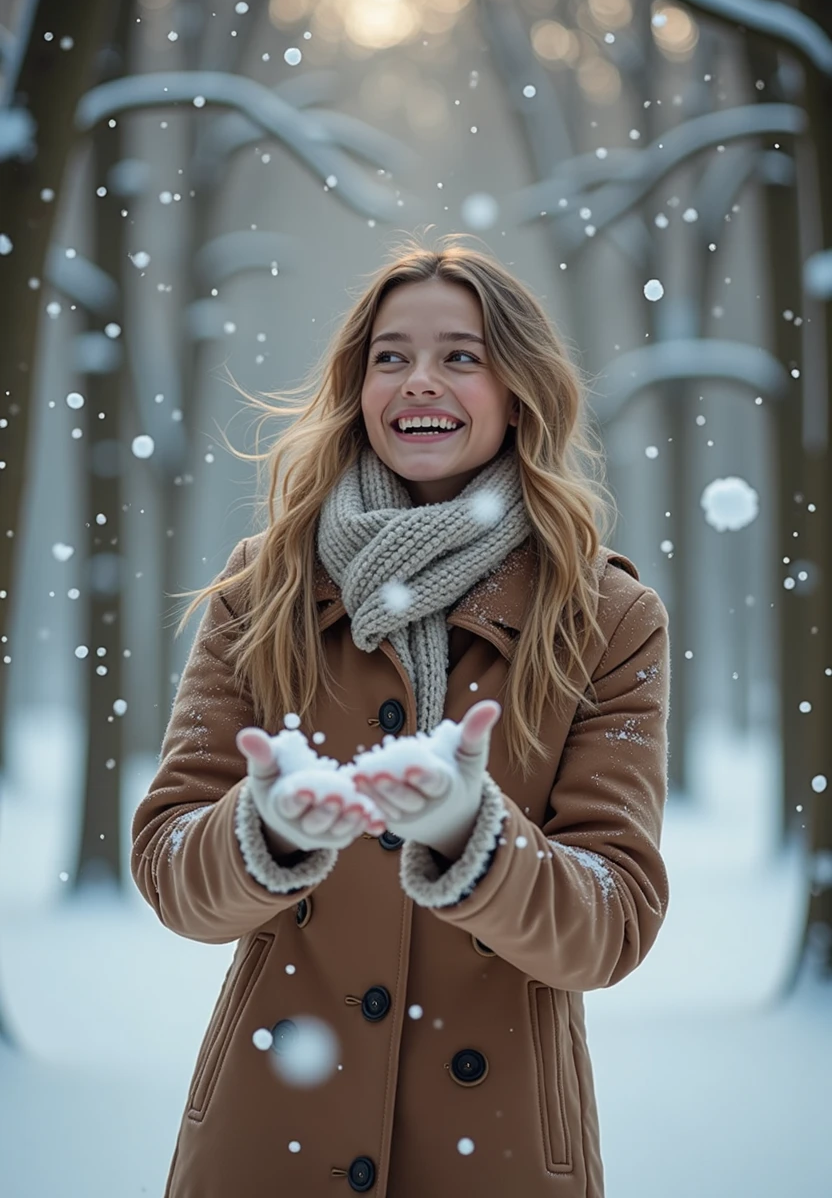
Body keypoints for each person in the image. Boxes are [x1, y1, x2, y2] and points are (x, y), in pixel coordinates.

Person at [131, 237, 671, 1198]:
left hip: (495, 1148)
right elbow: (173, 871)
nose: (420, 380)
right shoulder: (265, 595)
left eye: (462, 355)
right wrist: (263, 832)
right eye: (392, 356)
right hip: (270, 1139)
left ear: (520, 389)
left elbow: (612, 922)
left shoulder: (606, 619)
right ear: (359, 387)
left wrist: (477, 841)